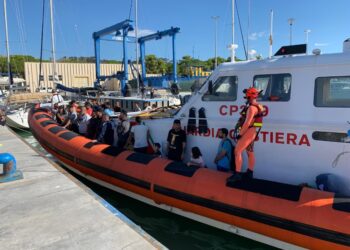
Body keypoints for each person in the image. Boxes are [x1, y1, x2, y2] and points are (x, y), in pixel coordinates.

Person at [233, 87, 266, 181]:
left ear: (248, 96)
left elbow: (247, 123)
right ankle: (250, 172)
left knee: (237, 151)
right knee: (250, 152)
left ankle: (237, 174)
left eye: (246, 95)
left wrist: (240, 134)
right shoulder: (257, 106)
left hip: (248, 132)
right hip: (252, 132)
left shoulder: (251, 108)